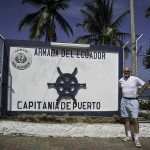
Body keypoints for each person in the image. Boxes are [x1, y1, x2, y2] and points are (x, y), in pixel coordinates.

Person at [119, 67, 148, 148]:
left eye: (128, 71)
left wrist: (140, 92)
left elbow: (145, 84)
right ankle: (128, 136)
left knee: (135, 119)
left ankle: (136, 139)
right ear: (123, 72)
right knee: (126, 119)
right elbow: (120, 88)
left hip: (133, 101)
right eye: (125, 71)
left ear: (130, 71)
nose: (126, 72)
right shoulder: (121, 80)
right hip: (124, 101)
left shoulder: (135, 79)